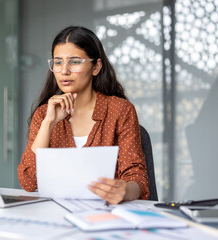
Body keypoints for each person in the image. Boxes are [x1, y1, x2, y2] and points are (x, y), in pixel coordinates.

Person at [18, 26, 150, 204]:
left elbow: (138, 178)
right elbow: (28, 182)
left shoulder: (120, 110)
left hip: (106, 214)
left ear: (96, 67)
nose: (64, 71)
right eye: (58, 62)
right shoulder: (44, 114)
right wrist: (49, 124)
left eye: (74, 61)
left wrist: (124, 191)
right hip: (56, 213)